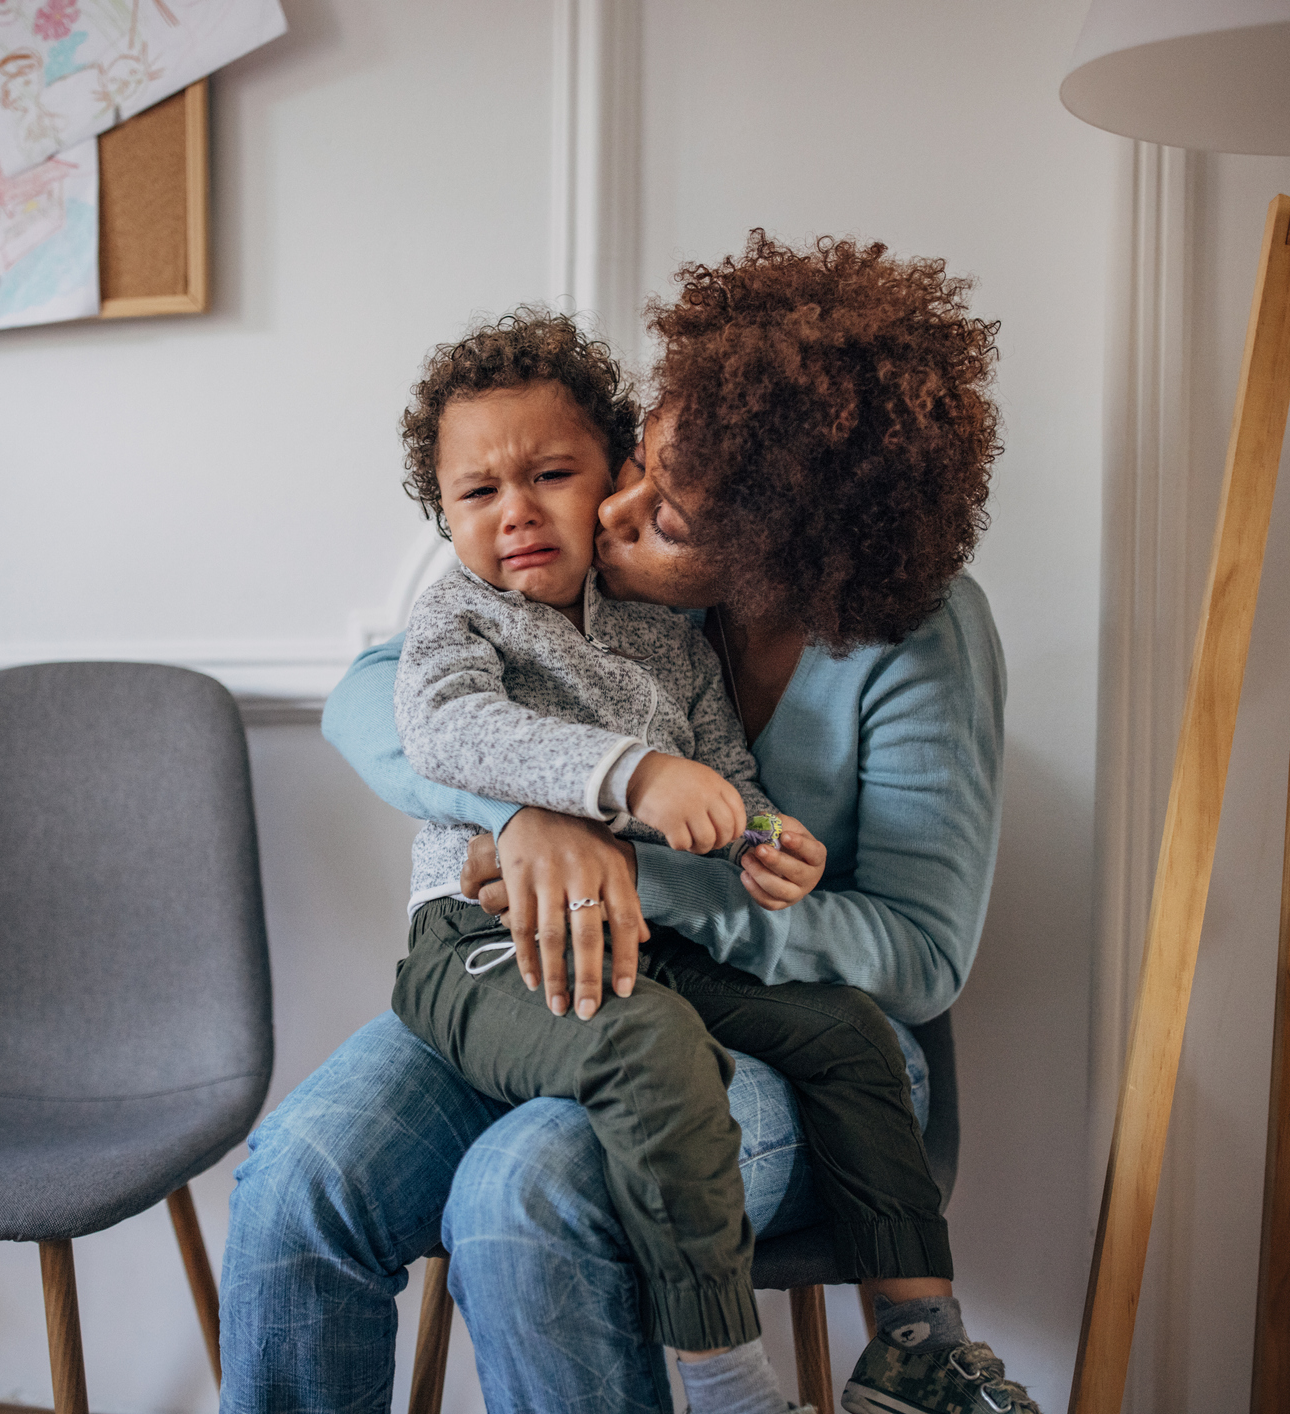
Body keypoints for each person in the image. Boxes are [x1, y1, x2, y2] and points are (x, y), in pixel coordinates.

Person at [219, 233, 1038, 1414]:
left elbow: (916, 957)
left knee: (527, 1191)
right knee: (299, 1177)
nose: (613, 510)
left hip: (793, 1039)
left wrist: (658, 876)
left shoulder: (909, 635)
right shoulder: (558, 574)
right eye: (636, 465)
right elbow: (376, 698)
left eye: (669, 511)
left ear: (779, 554)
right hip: (545, 969)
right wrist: (529, 812)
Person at [389, 309, 966, 1414]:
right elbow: (438, 727)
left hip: (648, 943)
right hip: (482, 940)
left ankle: (921, 1341)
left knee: (846, 1032)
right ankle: (727, 1379)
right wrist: (617, 783)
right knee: (651, 1053)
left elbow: (720, 765)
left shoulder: (664, 626)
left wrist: (763, 840)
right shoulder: (459, 613)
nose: (540, 512)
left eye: (561, 474)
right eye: (475, 494)